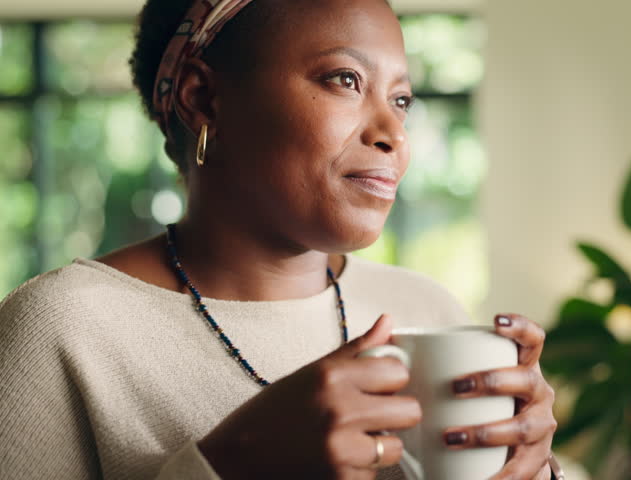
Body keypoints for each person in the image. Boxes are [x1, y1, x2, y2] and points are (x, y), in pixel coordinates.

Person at [0, 0, 561, 478]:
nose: (394, 135)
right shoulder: (61, 329)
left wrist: (533, 466)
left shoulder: (425, 309)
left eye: (401, 101)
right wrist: (229, 463)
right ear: (204, 99)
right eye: (346, 80)